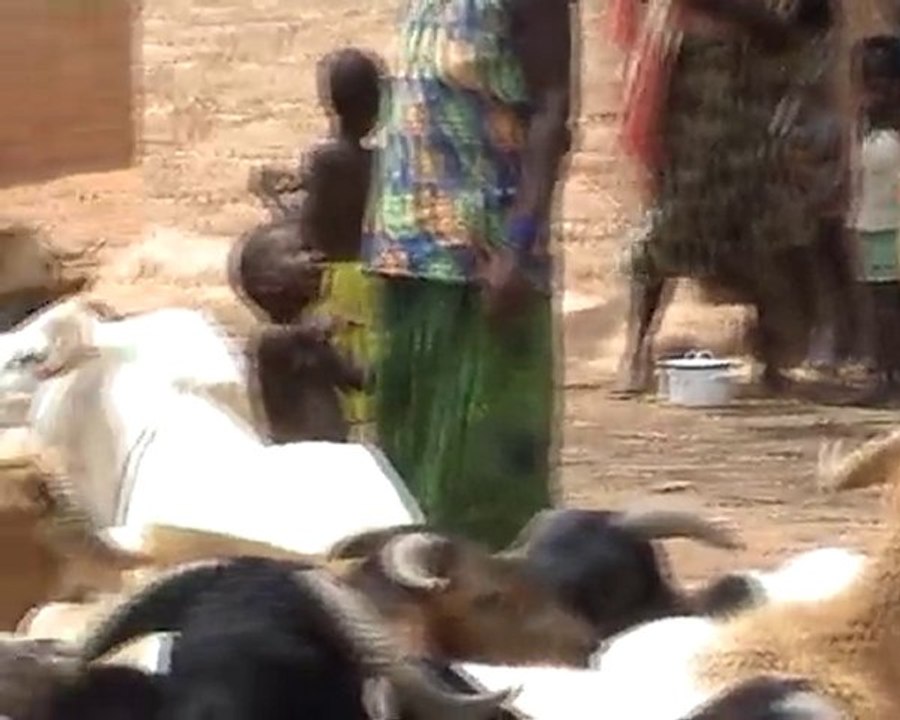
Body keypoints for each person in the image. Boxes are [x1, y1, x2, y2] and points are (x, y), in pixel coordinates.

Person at [362, 0, 575, 548]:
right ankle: (415, 605)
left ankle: (497, 603)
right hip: (406, 254)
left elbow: (553, 111)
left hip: (483, 262)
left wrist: (520, 244)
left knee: (485, 469)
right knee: (407, 462)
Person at [613, 0, 839, 394]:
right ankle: (636, 351)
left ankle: (770, 360)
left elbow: (795, 28)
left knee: (765, 224)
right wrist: (762, 20)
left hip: (756, 92)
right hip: (700, 90)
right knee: (673, 220)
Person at [248, 47, 385, 436]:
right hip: (372, 275)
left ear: (330, 102)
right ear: (378, 104)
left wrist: (284, 204)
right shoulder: (383, 161)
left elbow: (311, 228)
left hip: (334, 284)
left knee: (336, 385)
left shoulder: (324, 161)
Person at [229, 222, 367, 443]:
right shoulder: (268, 340)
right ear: (270, 280)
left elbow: (357, 380)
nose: (318, 257)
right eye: (301, 251)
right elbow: (302, 336)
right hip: (295, 461)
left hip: (333, 454)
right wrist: (324, 329)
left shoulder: (312, 344)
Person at [848, 35, 900, 400]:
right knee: (880, 306)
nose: (870, 91)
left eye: (879, 81)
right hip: (873, 224)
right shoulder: (868, 123)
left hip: (893, 227)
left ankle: (888, 381)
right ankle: (886, 375)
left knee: (888, 308)